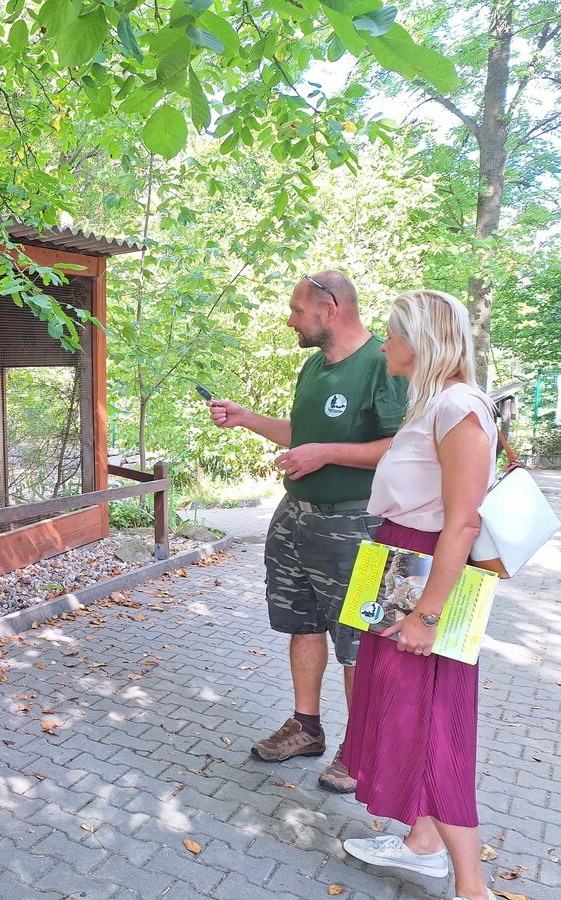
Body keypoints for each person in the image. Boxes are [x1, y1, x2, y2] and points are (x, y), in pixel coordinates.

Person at [207, 271, 407, 792]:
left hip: (358, 524)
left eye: (297, 310)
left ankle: (360, 748)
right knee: (303, 623)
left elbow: (403, 447)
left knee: (359, 639)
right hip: (295, 516)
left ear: (330, 308)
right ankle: (306, 727)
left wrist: (326, 455)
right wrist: (246, 418)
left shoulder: (384, 364)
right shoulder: (314, 366)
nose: (290, 319)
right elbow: (303, 435)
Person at [340, 290, 498, 900]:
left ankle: (473, 887)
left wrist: (426, 617)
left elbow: (462, 523)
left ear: (421, 341)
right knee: (408, 712)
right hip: (397, 558)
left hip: (425, 569)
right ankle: (423, 845)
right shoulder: (432, 402)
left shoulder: (458, 405)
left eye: (391, 334)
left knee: (433, 725)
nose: (383, 345)